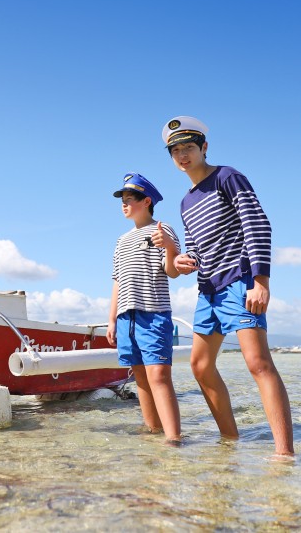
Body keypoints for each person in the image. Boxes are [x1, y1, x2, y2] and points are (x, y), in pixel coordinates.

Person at [161, 115, 294, 456]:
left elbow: (258, 224)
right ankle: (229, 442)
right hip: (208, 291)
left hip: (239, 281)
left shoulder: (227, 177)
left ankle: (284, 455)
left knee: (258, 363)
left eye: (188, 147)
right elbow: (195, 249)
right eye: (175, 150)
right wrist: (181, 261)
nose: (182, 155)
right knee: (200, 366)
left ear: (204, 147)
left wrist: (261, 281)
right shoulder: (185, 202)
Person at [106, 172, 182, 442]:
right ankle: (153, 434)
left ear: (146, 201)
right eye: (122, 200)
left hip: (154, 313)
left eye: (129, 199)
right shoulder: (121, 240)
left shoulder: (163, 229)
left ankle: (174, 439)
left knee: (159, 375)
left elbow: (172, 272)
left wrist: (171, 248)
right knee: (140, 379)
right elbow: (117, 281)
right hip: (126, 318)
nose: (124, 204)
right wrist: (112, 320)